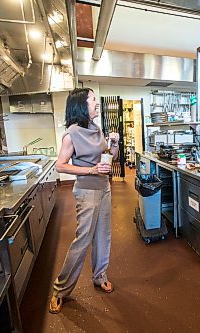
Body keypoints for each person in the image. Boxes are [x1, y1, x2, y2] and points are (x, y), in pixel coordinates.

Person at [49, 88, 119, 314]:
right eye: (93, 99)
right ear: (81, 104)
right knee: (82, 241)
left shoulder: (95, 128)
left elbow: (108, 158)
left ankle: (99, 276)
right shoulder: (72, 133)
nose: (96, 103)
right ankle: (60, 289)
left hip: (104, 188)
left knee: (103, 236)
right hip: (86, 191)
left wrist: (114, 144)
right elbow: (60, 165)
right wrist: (90, 171)